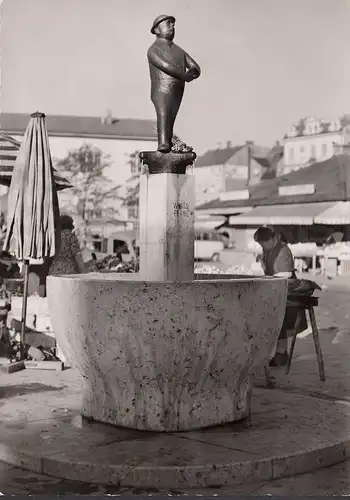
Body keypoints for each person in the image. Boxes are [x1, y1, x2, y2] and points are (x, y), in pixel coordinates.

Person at [253, 226, 307, 367]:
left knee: (280, 316)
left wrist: (268, 280)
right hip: (274, 288)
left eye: (264, 243)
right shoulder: (267, 249)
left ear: (272, 238)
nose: (263, 246)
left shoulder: (283, 250)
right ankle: (275, 352)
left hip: (288, 290)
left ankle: (281, 353)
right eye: (260, 244)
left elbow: (286, 274)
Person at [147, 14, 201, 152]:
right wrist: (184, 75)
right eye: (168, 23)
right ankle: (163, 142)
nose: (172, 26)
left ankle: (169, 141)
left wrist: (193, 73)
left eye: (173, 24)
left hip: (177, 90)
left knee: (171, 116)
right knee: (163, 113)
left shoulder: (178, 50)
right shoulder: (153, 50)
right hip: (161, 90)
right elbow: (165, 66)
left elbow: (195, 66)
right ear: (157, 30)